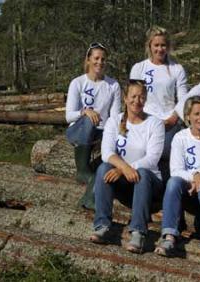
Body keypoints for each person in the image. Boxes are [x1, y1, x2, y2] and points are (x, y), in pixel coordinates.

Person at [90, 80, 165, 254]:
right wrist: (124, 168)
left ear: (145, 99)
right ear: (125, 98)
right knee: (103, 168)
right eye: (133, 96)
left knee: (143, 174)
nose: (137, 101)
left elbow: (152, 159)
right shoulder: (114, 121)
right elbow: (107, 152)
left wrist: (125, 169)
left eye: (141, 97)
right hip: (124, 181)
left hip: (149, 182)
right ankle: (102, 225)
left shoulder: (155, 124)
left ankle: (138, 232)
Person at [154, 96, 200, 264]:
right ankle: (169, 236)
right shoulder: (180, 137)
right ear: (187, 116)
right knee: (173, 183)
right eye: (196, 114)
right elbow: (175, 170)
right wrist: (195, 176)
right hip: (189, 187)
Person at [65, 42, 121, 210]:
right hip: (79, 131)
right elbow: (68, 116)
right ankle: (82, 168)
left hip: (102, 133)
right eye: (96, 58)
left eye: (103, 59)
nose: (100, 62)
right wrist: (85, 111)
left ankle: (89, 199)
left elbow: (115, 117)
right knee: (90, 120)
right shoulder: (78, 83)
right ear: (88, 60)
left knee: (106, 163)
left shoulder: (113, 85)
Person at [130, 26, 188, 181]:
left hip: (168, 121)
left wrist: (174, 118)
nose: (160, 49)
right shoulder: (139, 68)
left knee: (164, 151)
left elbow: (183, 99)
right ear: (150, 46)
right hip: (144, 120)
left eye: (163, 45)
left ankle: (163, 186)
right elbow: (132, 97)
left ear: (168, 46)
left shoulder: (177, 69)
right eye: (156, 45)